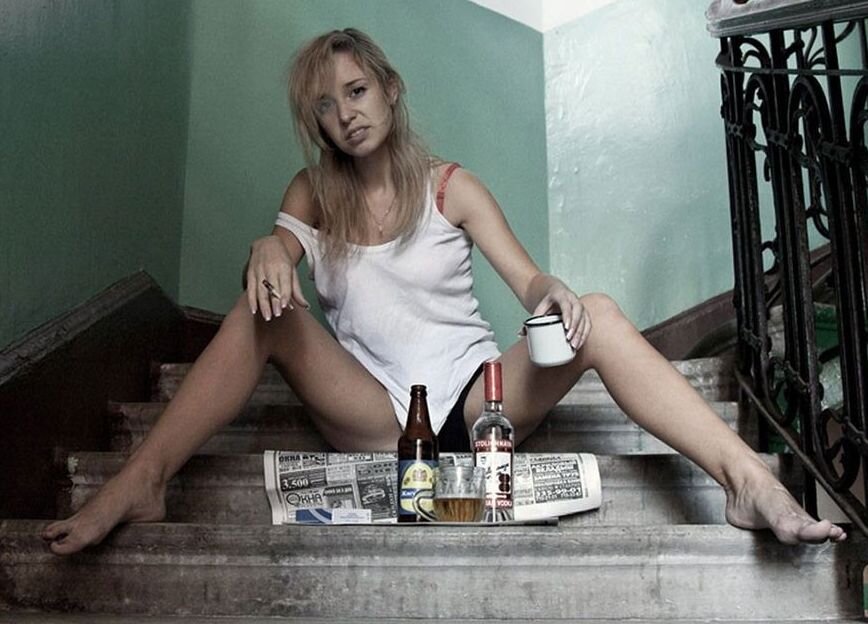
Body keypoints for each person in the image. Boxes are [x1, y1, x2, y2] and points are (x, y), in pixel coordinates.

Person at [42, 28, 846, 554]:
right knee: (266, 313)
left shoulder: (451, 186)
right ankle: (143, 480)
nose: (345, 114)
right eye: (326, 106)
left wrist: (555, 292)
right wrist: (268, 246)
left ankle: (746, 480)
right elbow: (281, 250)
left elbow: (527, 279)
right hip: (379, 419)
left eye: (357, 91)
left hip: (477, 402)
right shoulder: (311, 191)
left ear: (390, 90)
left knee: (597, 313)